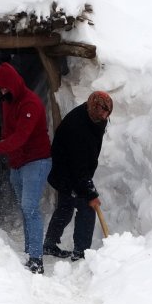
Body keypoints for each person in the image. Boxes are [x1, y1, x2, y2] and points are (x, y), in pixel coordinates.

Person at [0, 62, 52, 274]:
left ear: (14, 84)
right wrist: (3, 151)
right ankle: (30, 252)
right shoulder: (7, 101)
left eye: (5, 88)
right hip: (18, 164)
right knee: (24, 207)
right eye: (0, 89)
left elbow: (20, 137)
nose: (3, 92)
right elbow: (7, 133)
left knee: (30, 208)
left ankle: (36, 259)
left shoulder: (30, 103)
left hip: (36, 161)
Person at [43, 91, 113, 261]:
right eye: (102, 113)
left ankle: (50, 244)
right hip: (67, 171)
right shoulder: (78, 126)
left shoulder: (94, 116)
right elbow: (78, 166)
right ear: (94, 108)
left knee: (66, 207)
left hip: (73, 169)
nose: (105, 117)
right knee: (87, 208)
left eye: (107, 114)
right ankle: (81, 252)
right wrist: (90, 193)